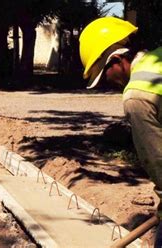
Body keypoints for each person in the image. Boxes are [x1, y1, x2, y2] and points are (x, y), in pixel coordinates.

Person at [79, 17, 162, 246]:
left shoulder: (137, 95)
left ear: (116, 60)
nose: (107, 83)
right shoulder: (159, 58)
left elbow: (157, 159)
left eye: (103, 75)